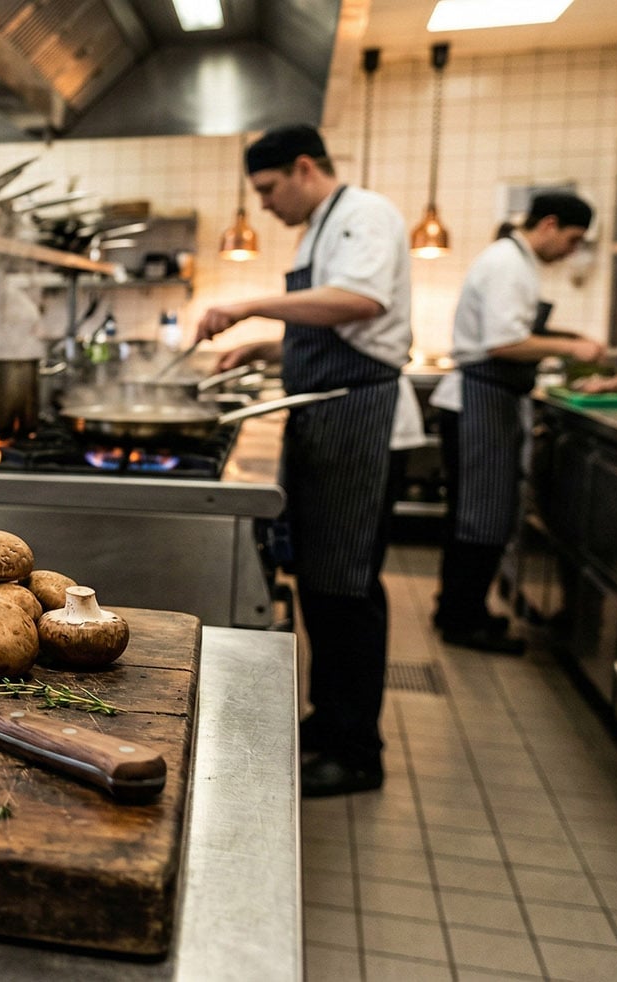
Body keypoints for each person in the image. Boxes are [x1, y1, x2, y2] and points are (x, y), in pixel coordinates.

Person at [197, 124, 413, 798]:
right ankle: (329, 722)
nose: (265, 205)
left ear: (301, 168)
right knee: (323, 584)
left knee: (347, 589)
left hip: (361, 423)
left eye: (267, 189)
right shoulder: (322, 226)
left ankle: (357, 752)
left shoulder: (363, 214)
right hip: (330, 419)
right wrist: (264, 350)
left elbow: (361, 303)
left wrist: (249, 305)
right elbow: (329, 324)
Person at [430, 193, 606, 653]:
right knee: (479, 519)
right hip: (480, 400)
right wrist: (571, 349)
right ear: (549, 224)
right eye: (572, 239)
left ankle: (459, 609)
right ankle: (462, 621)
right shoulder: (509, 263)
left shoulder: (516, 261)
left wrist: (565, 337)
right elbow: (504, 343)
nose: (572, 250)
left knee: (477, 517)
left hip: (488, 401)